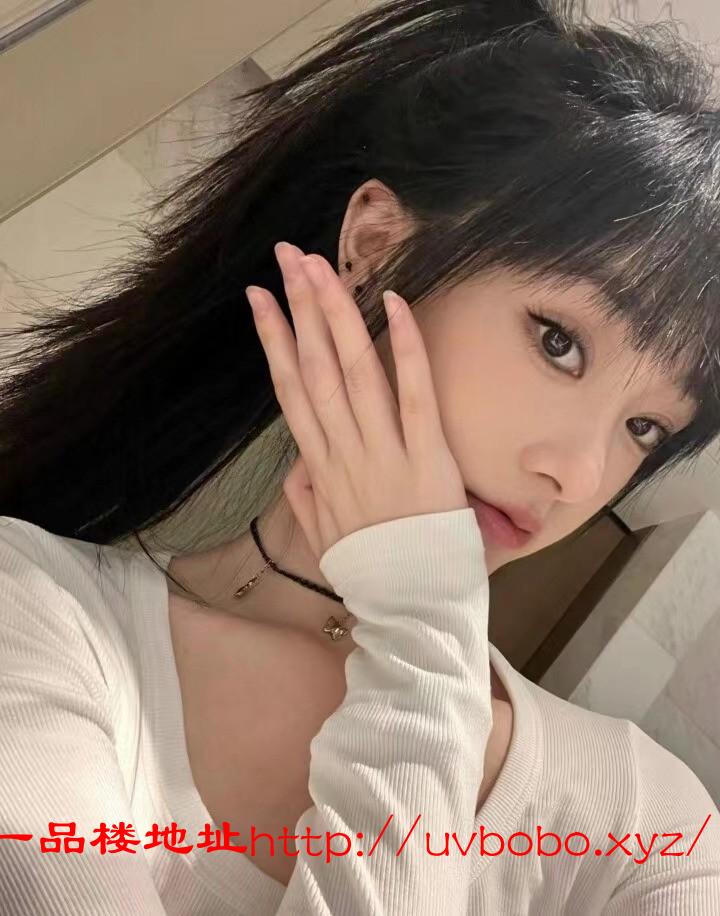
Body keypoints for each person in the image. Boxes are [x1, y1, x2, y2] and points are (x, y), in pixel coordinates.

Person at [1, 0, 720, 912]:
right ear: (375, 247)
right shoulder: (35, 609)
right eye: (559, 341)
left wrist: (424, 622)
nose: (579, 475)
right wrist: (420, 625)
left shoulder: (646, 823)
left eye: (645, 429)